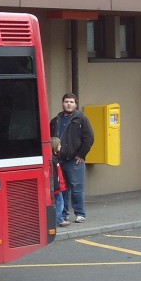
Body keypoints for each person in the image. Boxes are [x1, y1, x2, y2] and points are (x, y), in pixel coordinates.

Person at [50, 92, 94, 226]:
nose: (69, 104)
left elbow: (89, 138)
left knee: (76, 188)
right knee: (62, 189)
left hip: (75, 160)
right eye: (66, 101)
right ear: (62, 103)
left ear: (76, 104)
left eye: (71, 102)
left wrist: (81, 155)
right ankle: (63, 214)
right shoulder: (55, 120)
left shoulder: (82, 119)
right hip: (59, 160)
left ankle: (80, 214)